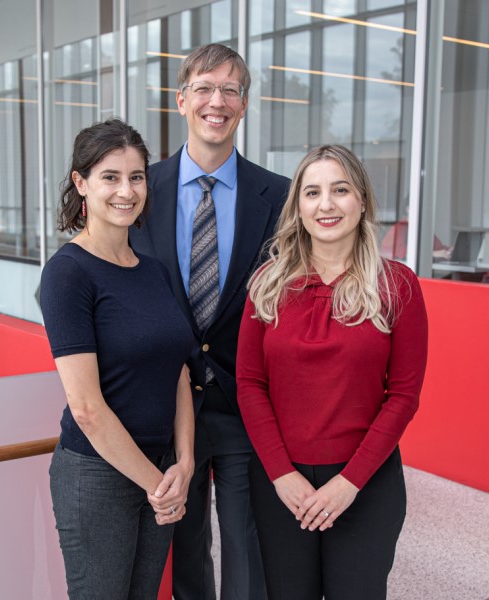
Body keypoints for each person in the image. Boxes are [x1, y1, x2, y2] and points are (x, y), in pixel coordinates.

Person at [128, 43, 289, 600]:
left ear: (244, 104)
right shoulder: (140, 191)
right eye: (204, 87)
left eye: (230, 90)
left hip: (247, 401)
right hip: (168, 402)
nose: (216, 101)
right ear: (181, 99)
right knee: (184, 544)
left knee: (249, 546)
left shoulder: (281, 196)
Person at [237, 145, 428, 599]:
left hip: (366, 484)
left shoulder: (397, 285)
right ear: (297, 207)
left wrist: (349, 483)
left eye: (340, 190)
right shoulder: (267, 285)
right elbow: (249, 384)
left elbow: (403, 396)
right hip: (281, 485)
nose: (326, 204)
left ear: (361, 201)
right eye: (312, 192)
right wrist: (282, 474)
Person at [40, 118, 196, 600]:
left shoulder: (154, 270)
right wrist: (159, 485)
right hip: (98, 475)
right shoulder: (67, 274)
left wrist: (185, 462)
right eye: (110, 176)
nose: (126, 191)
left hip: (161, 469)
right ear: (81, 183)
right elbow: (86, 408)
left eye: (136, 176)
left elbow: (179, 370)